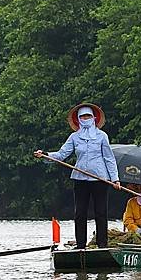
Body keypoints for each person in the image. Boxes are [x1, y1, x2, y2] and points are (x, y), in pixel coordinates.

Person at [34, 103, 120, 249]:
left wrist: (115, 179)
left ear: (94, 118)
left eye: (88, 116)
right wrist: (45, 155)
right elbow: (61, 154)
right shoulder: (74, 137)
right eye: (82, 116)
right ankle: (81, 245)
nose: (85, 119)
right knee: (80, 213)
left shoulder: (101, 136)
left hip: (100, 179)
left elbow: (109, 158)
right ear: (78, 119)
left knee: (100, 213)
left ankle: (102, 244)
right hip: (80, 179)